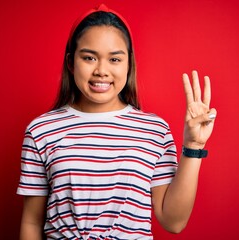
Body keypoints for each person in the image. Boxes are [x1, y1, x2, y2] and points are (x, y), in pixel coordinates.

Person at [17, 3, 217, 240]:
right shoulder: (41, 130)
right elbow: (31, 221)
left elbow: (173, 221)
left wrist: (194, 146)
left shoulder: (154, 130)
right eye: (89, 57)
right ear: (71, 62)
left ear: (129, 63)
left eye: (114, 59)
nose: (101, 70)